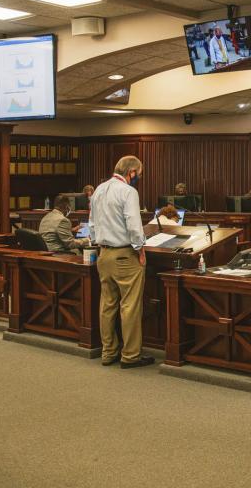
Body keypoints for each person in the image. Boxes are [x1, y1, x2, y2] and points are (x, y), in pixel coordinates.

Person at [89, 155, 154, 369]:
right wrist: (140, 249)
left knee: (107, 305)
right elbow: (134, 226)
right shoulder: (128, 191)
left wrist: (99, 246)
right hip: (125, 255)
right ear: (132, 172)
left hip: (103, 254)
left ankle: (108, 352)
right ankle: (131, 355)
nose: (139, 178)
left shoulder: (98, 189)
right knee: (130, 306)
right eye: (140, 174)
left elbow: (91, 224)